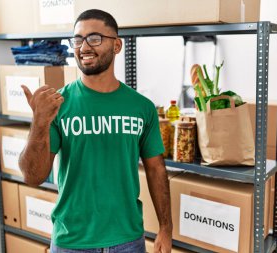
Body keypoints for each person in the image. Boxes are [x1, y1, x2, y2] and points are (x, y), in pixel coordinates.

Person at [19, 9, 172, 253]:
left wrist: (166, 228)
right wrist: (39, 123)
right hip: (72, 242)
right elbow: (32, 177)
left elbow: (156, 169)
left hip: (128, 240)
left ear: (117, 45)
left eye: (94, 38)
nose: (84, 47)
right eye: (78, 40)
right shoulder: (58, 104)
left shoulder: (142, 107)